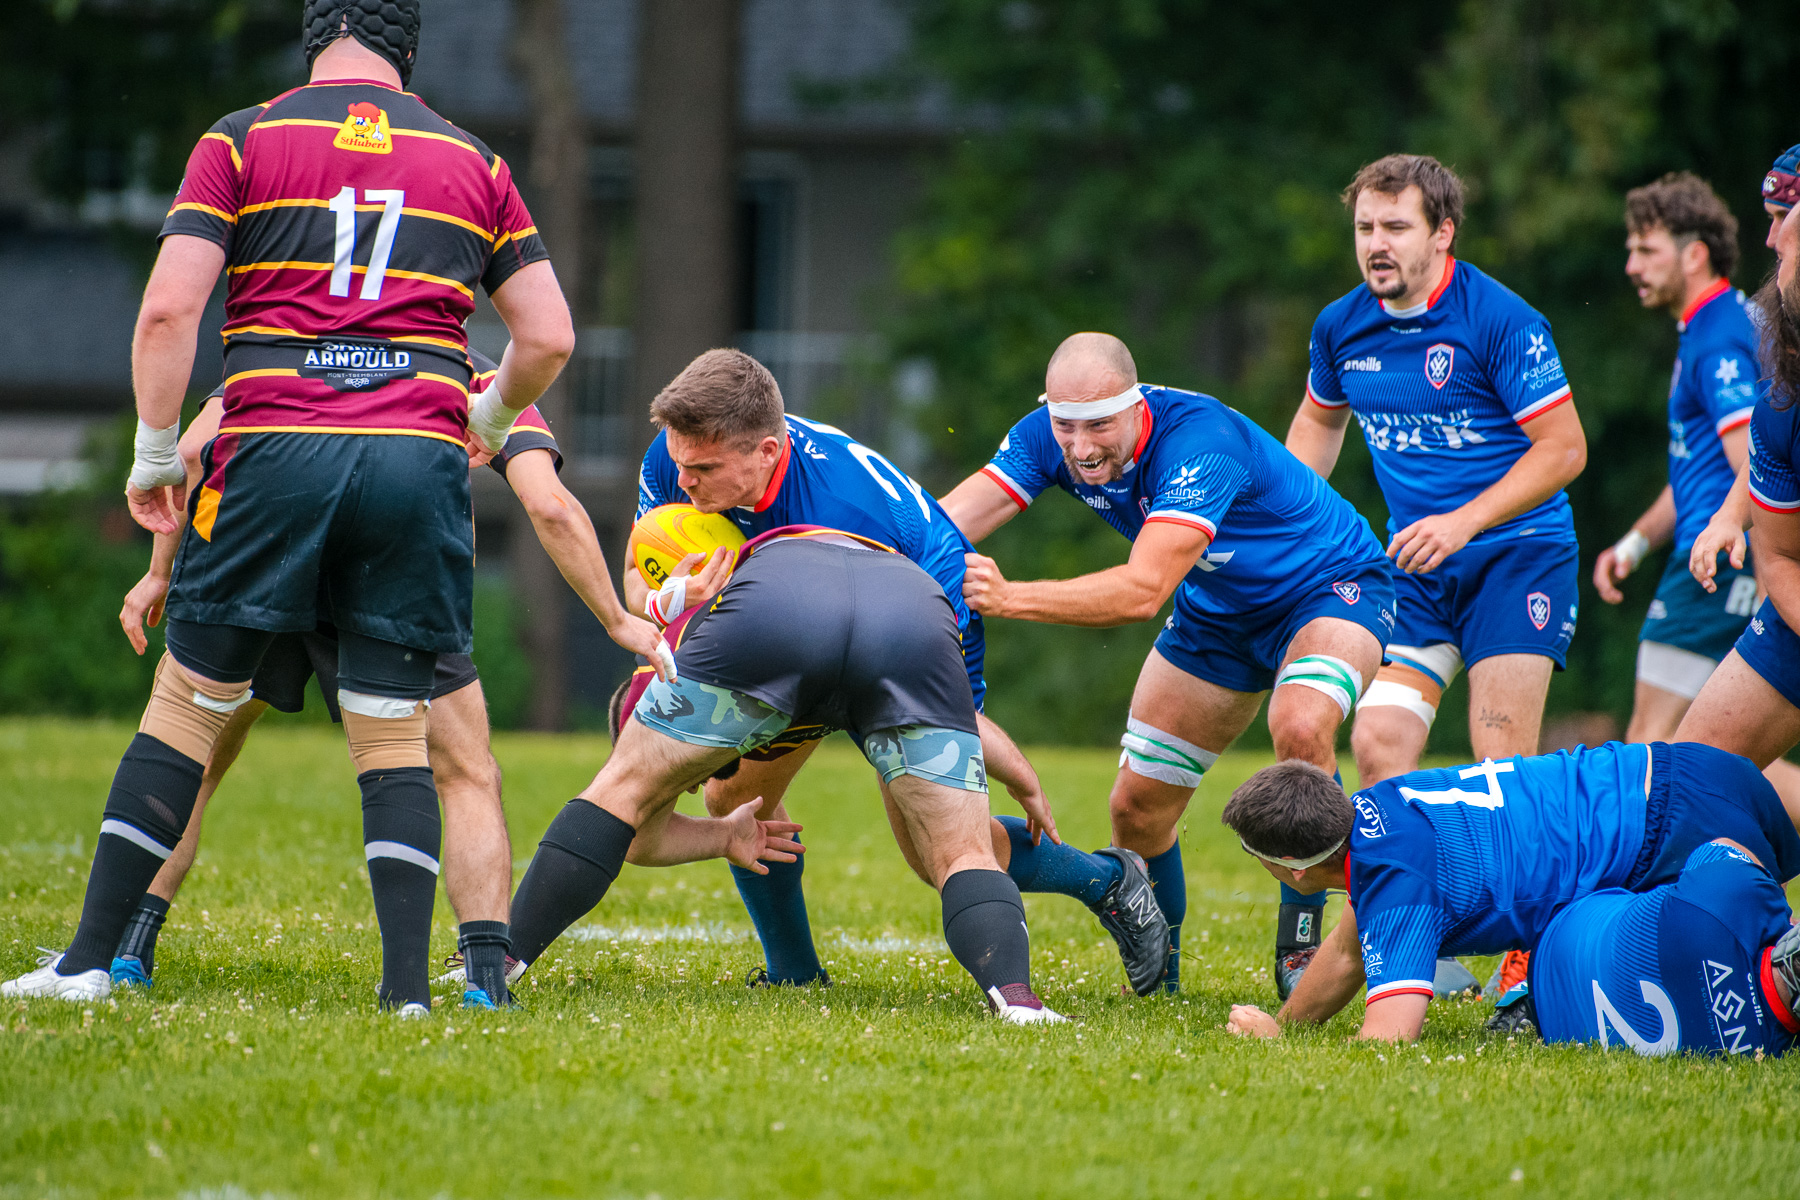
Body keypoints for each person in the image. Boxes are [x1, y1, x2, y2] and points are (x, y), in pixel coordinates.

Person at [3, 3, 611, 1011]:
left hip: (274, 443)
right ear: (407, 50)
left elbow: (167, 311)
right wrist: (490, 417)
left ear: (315, 34)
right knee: (390, 731)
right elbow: (546, 335)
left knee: (189, 712)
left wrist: (157, 454)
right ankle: (409, 993)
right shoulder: (476, 164)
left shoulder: (243, 138)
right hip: (415, 458)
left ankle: (85, 967)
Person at [107, 360, 667, 1009]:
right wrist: (615, 618)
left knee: (195, 757)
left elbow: (194, 455)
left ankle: (128, 947)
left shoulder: (282, 348)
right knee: (465, 772)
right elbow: (549, 504)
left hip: (264, 561)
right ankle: (485, 978)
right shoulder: (475, 377)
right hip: (391, 567)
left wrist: (158, 573)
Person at [631, 349, 1169, 996]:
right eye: (681, 464)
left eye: (704, 470)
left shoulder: (841, 509)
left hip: (922, 616)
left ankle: (1106, 880)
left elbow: (878, 634)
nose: (685, 482)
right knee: (735, 798)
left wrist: (1003, 758)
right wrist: (667, 605)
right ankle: (794, 974)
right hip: (799, 620)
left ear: (766, 453)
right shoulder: (680, 454)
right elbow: (641, 579)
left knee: (938, 854)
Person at [940, 331, 1395, 998]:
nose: (1082, 446)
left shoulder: (1198, 443)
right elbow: (944, 525)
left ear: (1136, 404)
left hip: (1329, 588)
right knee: (1136, 808)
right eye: (1066, 426)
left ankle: (1303, 944)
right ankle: (1160, 978)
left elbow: (1142, 591)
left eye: (1100, 425)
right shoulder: (1047, 436)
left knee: (1299, 726)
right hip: (1217, 613)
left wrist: (1009, 598)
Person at [505, 525, 1068, 1024]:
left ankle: (498, 962)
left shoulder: (657, 682)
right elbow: (959, 711)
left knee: (621, 791)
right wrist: (1021, 777)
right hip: (910, 600)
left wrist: (701, 819)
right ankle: (1018, 1000)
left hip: (783, 600)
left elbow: (631, 829)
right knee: (961, 852)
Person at [1287, 153, 1587, 999]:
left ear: (1442, 232)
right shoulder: (1342, 327)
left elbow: (1565, 450)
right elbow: (1316, 424)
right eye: (1364, 230)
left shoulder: (1500, 319)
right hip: (1417, 572)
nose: (1376, 246)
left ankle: (1530, 958)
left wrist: (1463, 522)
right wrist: (1289, 522)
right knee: (1380, 743)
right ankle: (1413, 928)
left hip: (1517, 558)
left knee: (1502, 765)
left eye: (1396, 228)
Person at [1216, 743, 1800, 1043]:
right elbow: (1346, 954)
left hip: (1670, 838)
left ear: (1293, 869)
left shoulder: (1397, 891)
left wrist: (1273, 1042)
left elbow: (1390, 1039)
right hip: (1684, 767)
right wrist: (1287, 1025)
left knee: (1758, 989)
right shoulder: (1382, 805)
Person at [1590, 174, 1800, 804]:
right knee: (1714, 752)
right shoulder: (1715, 329)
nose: (1632, 266)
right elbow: (1698, 468)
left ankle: (1622, 893)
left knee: (1655, 744)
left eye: (1646, 249)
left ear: (1695, 253)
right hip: (1723, 552)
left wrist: (1735, 535)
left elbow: (1755, 461)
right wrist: (1633, 542)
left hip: (1717, 564)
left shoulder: (1718, 341)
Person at [1677, 179, 1800, 775]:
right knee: (1689, 770)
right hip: (1782, 586)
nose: (1773, 240)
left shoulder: (1719, 334)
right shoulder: (1781, 392)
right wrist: (1729, 517)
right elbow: (1758, 451)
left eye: (1786, 220)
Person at [1490, 840, 1798, 1058]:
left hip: (1560, 938)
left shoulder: (1728, 897)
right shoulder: (1773, 1052)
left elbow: (1724, 843)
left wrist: (1776, 910)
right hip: (1556, 1019)